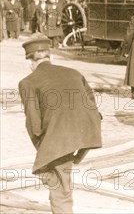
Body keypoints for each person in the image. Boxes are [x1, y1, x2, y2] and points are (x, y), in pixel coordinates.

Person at [18, 35, 102, 213]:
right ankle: (72, 159)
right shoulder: (74, 72)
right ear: (51, 57)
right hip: (88, 130)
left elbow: (33, 124)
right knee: (56, 173)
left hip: (61, 136)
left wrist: (44, 151)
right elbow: (93, 107)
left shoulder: (27, 82)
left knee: (59, 188)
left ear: (30, 62)